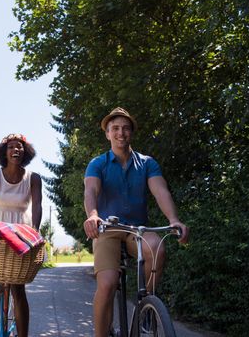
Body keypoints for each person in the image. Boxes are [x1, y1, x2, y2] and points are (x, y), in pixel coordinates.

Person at [83, 107, 189, 337]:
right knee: (108, 283)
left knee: (157, 249)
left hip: (137, 230)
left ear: (132, 132)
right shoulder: (97, 164)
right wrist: (92, 215)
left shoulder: (147, 163)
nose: (121, 133)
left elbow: (161, 192)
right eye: (115, 129)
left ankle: (145, 307)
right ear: (108, 134)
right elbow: (91, 190)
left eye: (126, 128)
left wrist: (174, 219)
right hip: (107, 229)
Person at [0, 133, 42, 337]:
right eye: (11, 147)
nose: (16, 149)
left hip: (21, 231)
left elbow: (37, 206)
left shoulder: (33, 178)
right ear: (4, 152)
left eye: (20, 147)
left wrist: (36, 232)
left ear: (25, 153)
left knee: (18, 289)